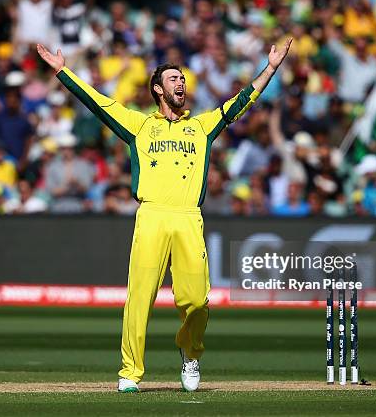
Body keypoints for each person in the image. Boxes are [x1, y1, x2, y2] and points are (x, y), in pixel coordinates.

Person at [37, 38, 292, 392]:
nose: (181, 83)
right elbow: (99, 103)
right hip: (152, 216)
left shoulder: (201, 128)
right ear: (158, 89)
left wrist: (270, 68)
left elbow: (240, 103)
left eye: (183, 78)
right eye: (173, 79)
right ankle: (130, 372)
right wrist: (63, 71)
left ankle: (190, 355)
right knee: (139, 297)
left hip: (188, 218)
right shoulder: (139, 127)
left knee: (198, 301)